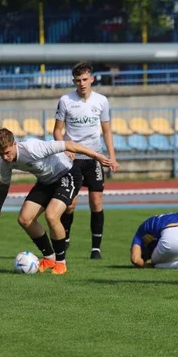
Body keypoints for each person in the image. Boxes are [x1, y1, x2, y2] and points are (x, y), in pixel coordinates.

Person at [0, 128, 110, 275]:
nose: (5, 157)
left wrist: (97, 156)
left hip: (67, 174)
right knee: (24, 219)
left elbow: (68, 145)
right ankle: (49, 257)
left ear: (14, 144)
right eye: (1, 154)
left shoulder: (33, 148)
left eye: (7, 152)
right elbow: (4, 184)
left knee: (51, 215)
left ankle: (61, 263)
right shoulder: (5, 163)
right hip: (46, 182)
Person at [54, 61, 118, 259]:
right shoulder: (66, 100)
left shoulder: (101, 101)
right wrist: (65, 148)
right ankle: (64, 239)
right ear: (73, 81)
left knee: (96, 201)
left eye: (84, 79)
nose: (81, 83)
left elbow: (106, 130)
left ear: (91, 79)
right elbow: (57, 131)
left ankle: (96, 248)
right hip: (72, 159)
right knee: (70, 204)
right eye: (77, 80)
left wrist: (112, 156)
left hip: (94, 158)